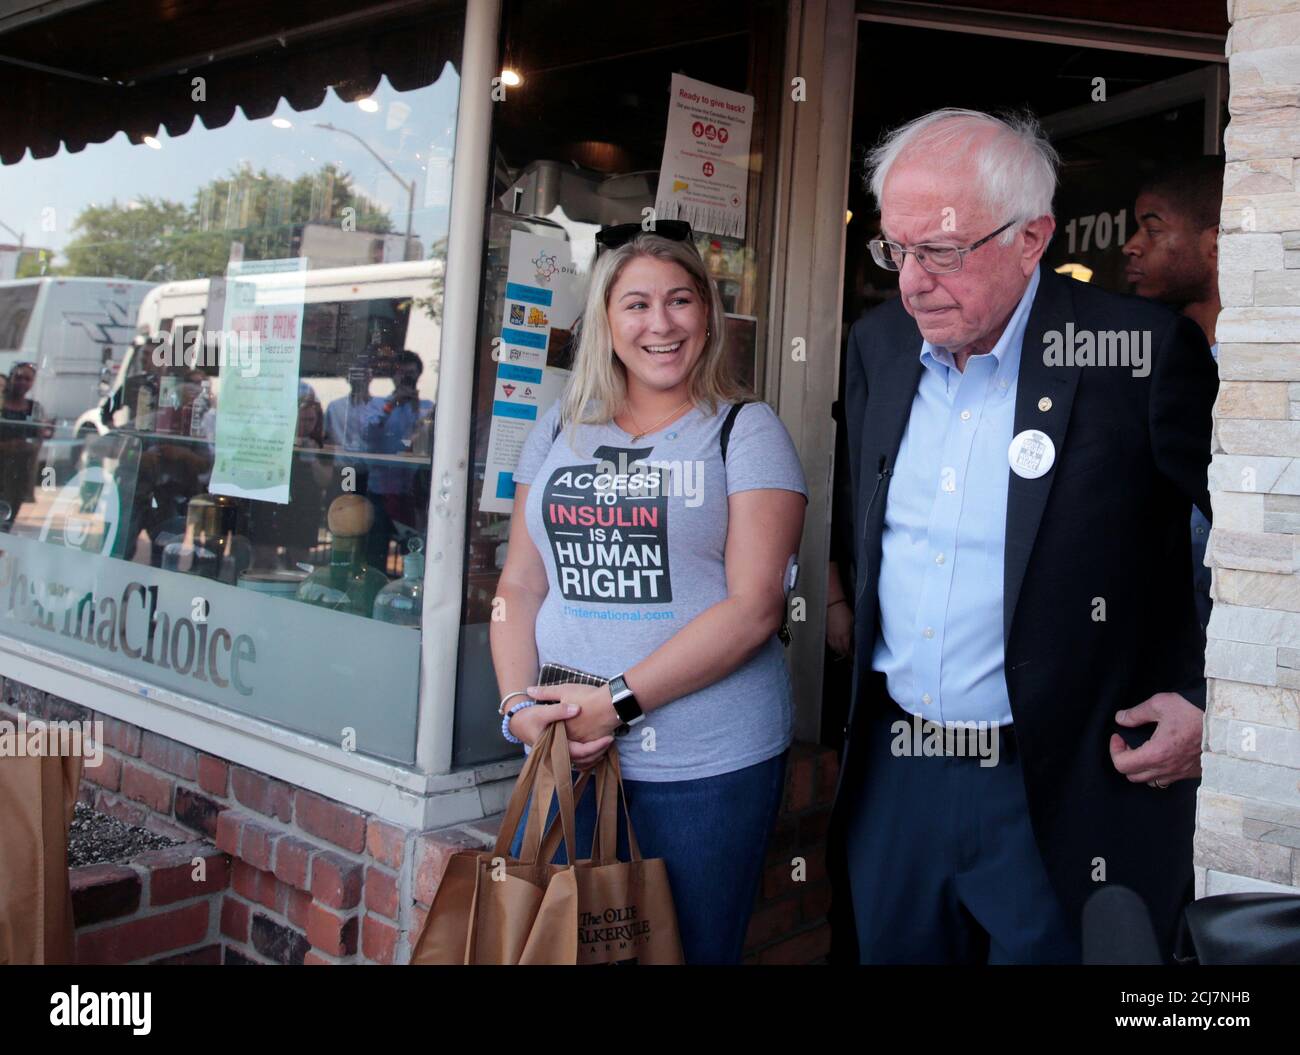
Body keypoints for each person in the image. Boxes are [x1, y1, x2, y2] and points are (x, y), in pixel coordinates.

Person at [830, 108, 1217, 964]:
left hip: (1065, 783)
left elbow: (1250, 552)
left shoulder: (1139, 353)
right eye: (895, 250)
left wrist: (1206, 699)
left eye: (943, 249)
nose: (914, 281)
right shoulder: (879, 345)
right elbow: (860, 516)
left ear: (1031, 236)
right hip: (900, 773)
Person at [493, 226, 808, 964]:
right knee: (548, 950)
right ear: (605, 320)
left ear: (709, 316)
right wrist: (518, 710)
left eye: (680, 301)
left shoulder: (746, 430)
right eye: (636, 304)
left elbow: (756, 606)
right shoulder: (557, 429)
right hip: (564, 754)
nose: (660, 324)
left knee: (685, 953)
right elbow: (520, 582)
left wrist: (618, 701)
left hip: (705, 769)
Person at [1122, 158, 1224, 631]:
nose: (1131, 247)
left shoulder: (1270, 374)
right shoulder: (1134, 365)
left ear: (1217, 244)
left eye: (1153, 228)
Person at [0, 361, 53, 527]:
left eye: (28, 379)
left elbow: (39, 438)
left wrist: (43, 433)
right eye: (19, 377)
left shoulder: (34, 408)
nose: (22, 382)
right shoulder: (1, 404)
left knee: (8, 517)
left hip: (18, 472)